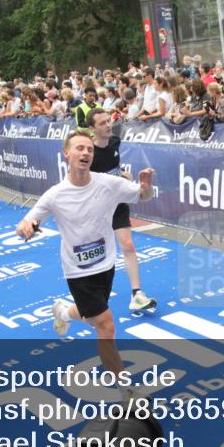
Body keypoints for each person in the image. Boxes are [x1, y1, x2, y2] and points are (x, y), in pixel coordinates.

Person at [15, 133, 156, 397]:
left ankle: (64, 312)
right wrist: (25, 228)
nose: (86, 153)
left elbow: (143, 196)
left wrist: (146, 186)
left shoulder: (108, 184)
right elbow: (29, 221)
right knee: (105, 324)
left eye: (89, 149)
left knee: (92, 316)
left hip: (105, 264)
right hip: (77, 270)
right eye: (79, 148)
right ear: (66, 154)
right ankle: (125, 387)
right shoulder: (55, 194)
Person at [87, 108, 156, 312]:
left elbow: (114, 168)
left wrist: (122, 175)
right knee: (97, 251)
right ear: (92, 129)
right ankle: (88, 294)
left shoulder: (116, 141)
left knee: (128, 245)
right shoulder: (88, 152)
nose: (108, 125)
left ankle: (137, 294)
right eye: (102, 123)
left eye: (108, 121)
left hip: (118, 202)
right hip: (97, 207)